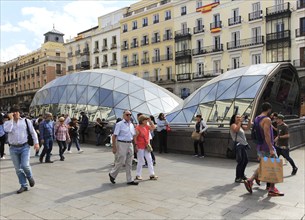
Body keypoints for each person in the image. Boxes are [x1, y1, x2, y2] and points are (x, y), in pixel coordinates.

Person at [244, 102, 284, 196]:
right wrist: (271, 148)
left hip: (260, 146)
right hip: (267, 146)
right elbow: (267, 134)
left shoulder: (257, 118)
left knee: (263, 164)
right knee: (275, 165)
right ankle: (272, 189)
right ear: (269, 109)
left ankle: (250, 181)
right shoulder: (267, 119)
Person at [3, 105, 39, 194]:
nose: (15, 113)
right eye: (13, 112)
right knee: (18, 169)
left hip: (24, 147)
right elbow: (7, 130)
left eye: (16, 111)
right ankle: (24, 185)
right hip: (13, 148)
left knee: (25, 165)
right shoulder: (7, 123)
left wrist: (36, 143)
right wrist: (11, 120)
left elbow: (33, 132)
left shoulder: (26, 121)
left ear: (19, 112)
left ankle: (30, 177)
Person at [108, 110, 138, 185]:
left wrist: (135, 145)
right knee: (121, 161)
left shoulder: (131, 124)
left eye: (130, 115)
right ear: (123, 115)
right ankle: (112, 174)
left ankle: (129, 179)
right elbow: (114, 136)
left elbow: (133, 135)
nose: (129, 116)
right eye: (127, 114)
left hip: (130, 143)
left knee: (129, 162)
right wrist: (114, 147)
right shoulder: (119, 124)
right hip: (121, 143)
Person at [134, 115, 158, 180]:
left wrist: (150, 121)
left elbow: (153, 127)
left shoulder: (146, 126)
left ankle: (152, 174)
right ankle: (138, 175)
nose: (146, 121)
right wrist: (136, 145)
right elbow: (135, 137)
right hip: (140, 146)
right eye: (145, 120)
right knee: (140, 160)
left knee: (149, 160)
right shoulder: (138, 128)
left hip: (146, 146)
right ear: (142, 121)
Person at [229, 114, 251, 183]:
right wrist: (240, 122)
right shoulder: (233, 125)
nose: (239, 118)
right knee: (240, 161)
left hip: (243, 145)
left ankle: (242, 175)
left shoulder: (240, 125)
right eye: (237, 117)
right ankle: (238, 177)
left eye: (239, 117)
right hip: (238, 145)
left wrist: (249, 120)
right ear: (234, 118)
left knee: (246, 160)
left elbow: (247, 128)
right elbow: (236, 130)